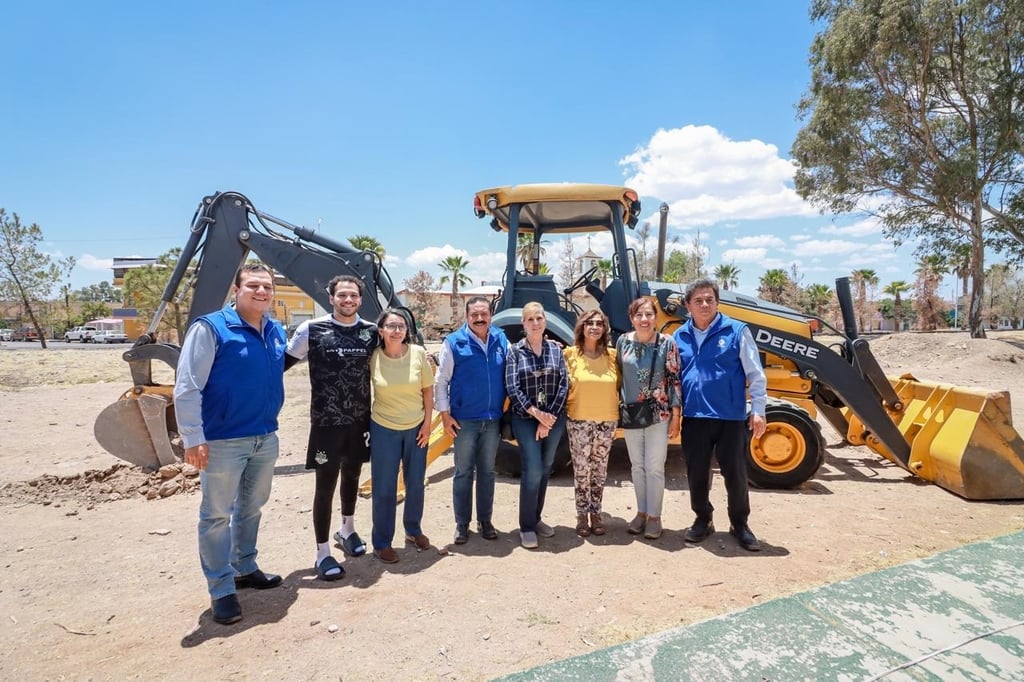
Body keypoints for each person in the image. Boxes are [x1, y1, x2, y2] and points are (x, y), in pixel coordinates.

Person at [174, 263, 287, 625]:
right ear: (235, 290)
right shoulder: (211, 328)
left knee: (252, 507)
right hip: (223, 440)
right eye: (253, 285)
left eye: (267, 287)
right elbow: (188, 385)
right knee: (216, 515)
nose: (262, 292)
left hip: (264, 436)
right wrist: (193, 437)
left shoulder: (274, 330)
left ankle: (245, 567)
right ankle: (222, 589)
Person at [285, 275, 376, 581]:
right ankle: (322, 552)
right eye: (342, 295)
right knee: (325, 486)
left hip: (359, 423)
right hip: (325, 426)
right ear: (331, 298)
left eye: (353, 296)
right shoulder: (310, 330)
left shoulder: (370, 332)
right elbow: (279, 366)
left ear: (360, 300)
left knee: (352, 476)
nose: (348, 300)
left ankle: (347, 530)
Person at [673, 278, 767, 551]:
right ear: (688, 305)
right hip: (695, 417)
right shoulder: (679, 336)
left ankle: (740, 524)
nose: (704, 304)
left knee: (735, 473)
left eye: (709, 299)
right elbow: (674, 379)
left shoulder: (736, 331)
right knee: (697, 473)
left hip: (730, 417)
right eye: (698, 300)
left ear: (717, 302)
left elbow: (755, 375)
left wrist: (758, 410)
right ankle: (703, 519)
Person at [434, 296, 509, 544]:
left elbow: (515, 360)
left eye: (484, 314)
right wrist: (445, 416)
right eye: (474, 315)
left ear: (490, 315)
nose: (479, 319)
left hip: (492, 420)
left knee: (487, 472)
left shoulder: (500, 338)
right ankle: (462, 524)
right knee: (463, 472)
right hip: (464, 421)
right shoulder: (454, 343)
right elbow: (441, 381)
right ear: (466, 317)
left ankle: (485, 521)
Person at [368, 309, 435, 564]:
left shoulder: (418, 354)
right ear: (381, 330)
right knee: (384, 487)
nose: (397, 330)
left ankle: (413, 530)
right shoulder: (373, 357)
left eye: (402, 326)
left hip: (416, 428)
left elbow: (428, 392)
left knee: (415, 482)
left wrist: (427, 425)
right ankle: (382, 541)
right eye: (392, 326)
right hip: (384, 428)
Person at [616, 297, 681, 540]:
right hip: (632, 413)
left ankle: (655, 516)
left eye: (649, 314)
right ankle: (641, 512)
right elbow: (618, 376)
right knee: (637, 466)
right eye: (639, 315)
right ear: (632, 318)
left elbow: (674, 379)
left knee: (654, 466)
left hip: (659, 413)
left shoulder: (667, 343)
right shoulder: (623, 342)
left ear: (655, 317)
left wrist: (676, 415)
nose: (644, 319)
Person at [504, 302, 568, 549]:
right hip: (525, 418)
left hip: (553, 417)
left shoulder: (555, 350)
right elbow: (513, 387)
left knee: (546, 467)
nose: (535, 323)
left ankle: (537, 518)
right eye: (530, 319)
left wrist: (548, 417)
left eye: (539, 318)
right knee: (532, 469)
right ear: (523, 323)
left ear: (545, 322)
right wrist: (537, 415)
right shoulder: (515, 352)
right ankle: (527, 526)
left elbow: (564, 384)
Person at [563, 309, 619, 538]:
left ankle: (596, 514)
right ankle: (581, 516)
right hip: (579, 420)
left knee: (600, 471)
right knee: (581, 470)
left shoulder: (613, 356)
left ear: (604, 328)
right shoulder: (569, 354)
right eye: (590, 323)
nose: (594, 327)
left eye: (599, 323)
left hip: (607, 420)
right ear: (582, 327)